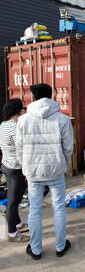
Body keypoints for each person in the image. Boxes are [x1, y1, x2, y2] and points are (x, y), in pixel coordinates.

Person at [16, 83, 74, 260]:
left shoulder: (23, 120)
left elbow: (19, 148)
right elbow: (68, 148)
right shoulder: (62, 119)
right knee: (59, 208)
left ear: (33, 98)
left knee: (34, 210)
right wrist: (62, 164)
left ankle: (36, 250)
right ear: (51, 96)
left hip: (33, 172)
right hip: (56, 171)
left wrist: (25, 168)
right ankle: (60, 246)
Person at [0, 99, 29, 243]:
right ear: (19, 111)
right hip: (17, 169)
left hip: (6, 165)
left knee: (14, 199)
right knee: (13, 201)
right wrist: (26, 171)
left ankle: (17, 223)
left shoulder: (3, 125)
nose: (25, 110)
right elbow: (22, 151)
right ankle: (12, 233)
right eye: (23, 108)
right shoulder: (17, 127)